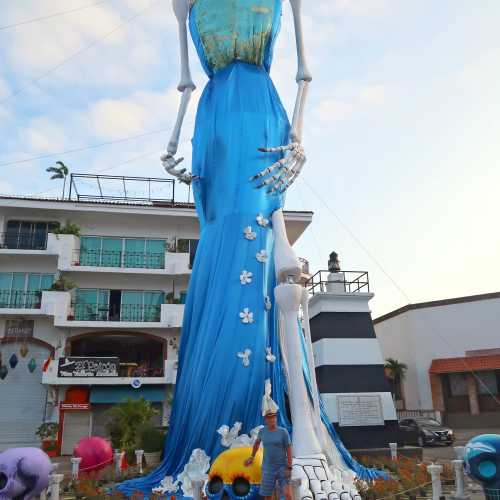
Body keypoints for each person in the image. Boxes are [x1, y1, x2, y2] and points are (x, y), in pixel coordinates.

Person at [245, 411, 293, 500]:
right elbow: (256, 443)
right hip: (268, 468)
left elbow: (289, 449)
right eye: (269, 418)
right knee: (268, 495)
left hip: (282, 466)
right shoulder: (262, 431)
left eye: (274, 417)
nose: (272, 420)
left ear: (276, 418)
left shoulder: (283, 432)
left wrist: (289, 467)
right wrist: (252, 457)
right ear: (266, 420)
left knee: (288, 494)